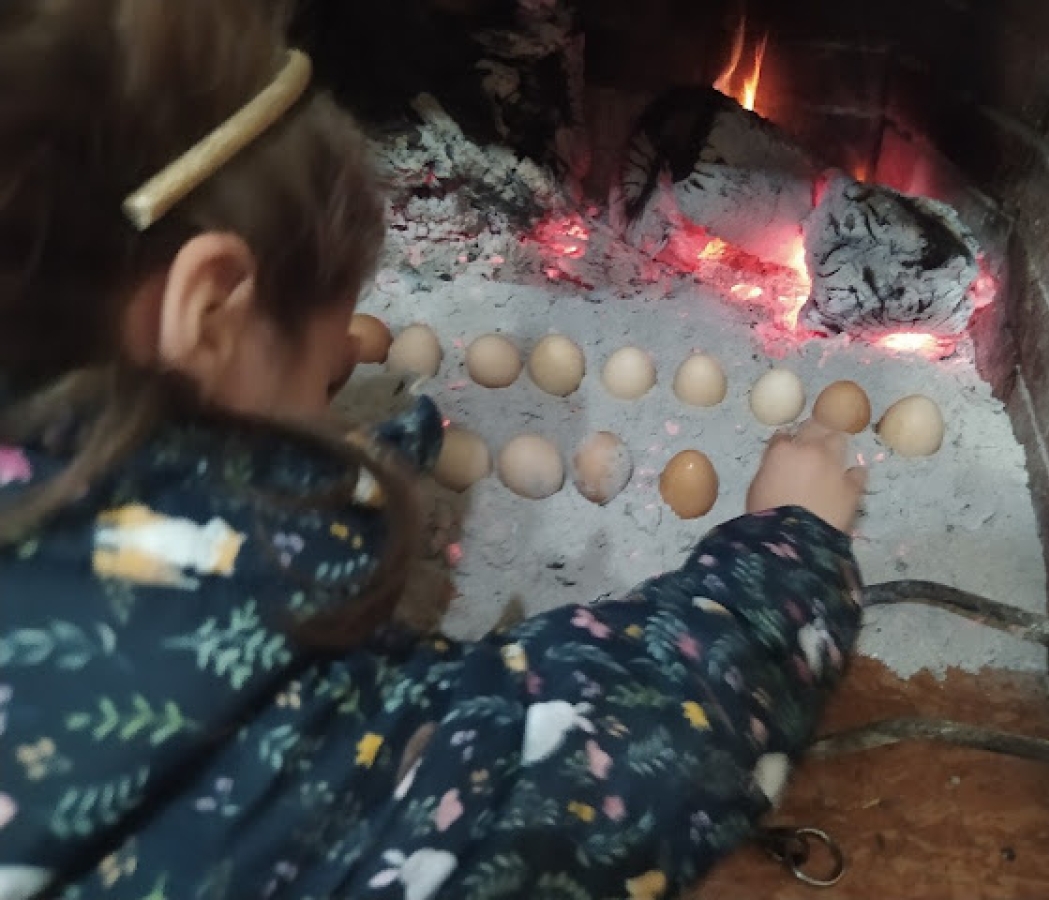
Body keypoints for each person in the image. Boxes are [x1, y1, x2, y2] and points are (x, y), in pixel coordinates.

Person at [0, 1, 867, 898]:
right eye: (317, 363)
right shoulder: (261, 733)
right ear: (210, 311)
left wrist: (331, 462)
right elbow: (586, 775)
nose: (343, 366)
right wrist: (781, 563)